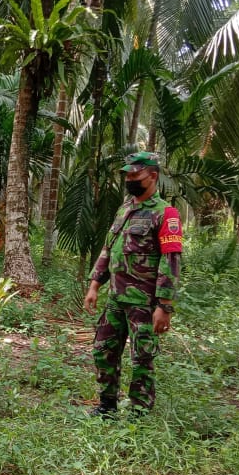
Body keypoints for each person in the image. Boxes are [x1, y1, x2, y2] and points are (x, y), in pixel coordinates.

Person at [83, 152, 182, 416]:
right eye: (127, 174)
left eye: (135, 174)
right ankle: (107, 406)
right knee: (103, 351)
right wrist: (95, 285)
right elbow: (109, 248)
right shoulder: (125, 209)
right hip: (116, 298)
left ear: (153, 176)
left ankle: (139, 412)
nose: (130, 179)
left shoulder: (165, 214)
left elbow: (170, 261)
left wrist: (165, 305)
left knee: (142, 359)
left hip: (144, 303)